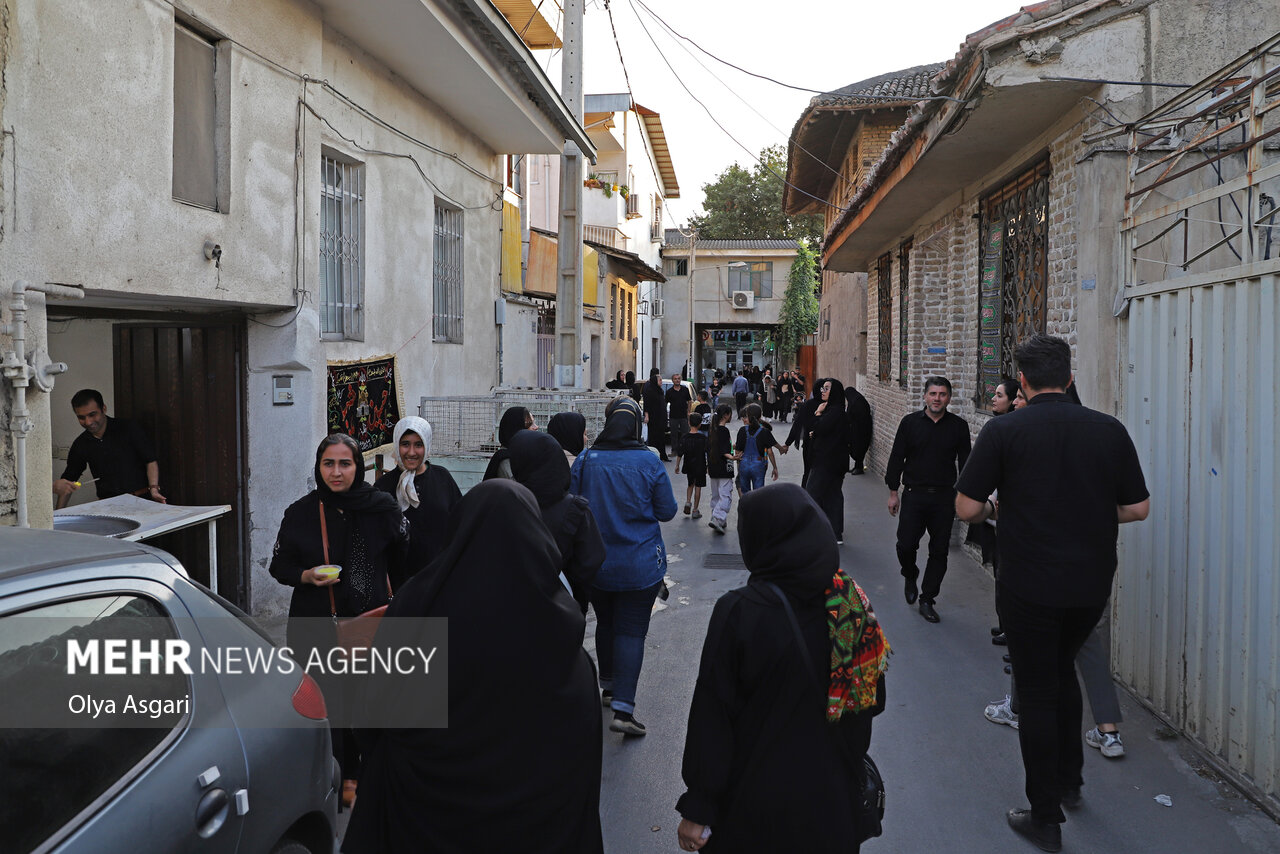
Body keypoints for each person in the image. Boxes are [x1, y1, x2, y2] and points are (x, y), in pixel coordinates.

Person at [955, 334, 1148, 852]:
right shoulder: (1109, 430)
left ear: (1022, 380)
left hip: (1029, 585)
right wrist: (1082, 511)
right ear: (1067, 376)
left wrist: (1004, 510)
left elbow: (968, 508)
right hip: (1089, 585)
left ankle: (1045, 817)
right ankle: (1069, 781)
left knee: (1037, 690)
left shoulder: (1005, 431)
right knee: (1062, 673)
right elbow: (1137, 508)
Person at [342, 480, 603, 854]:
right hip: (534, 830)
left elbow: (372, 711)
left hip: (421, 817)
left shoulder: (420, 603)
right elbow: (579, 750)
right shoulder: (558, 627)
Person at [676, 483, 888, 853]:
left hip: (755, 807)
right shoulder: (849, 602)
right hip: (831, 806)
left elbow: (714, 715)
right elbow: (871, 699)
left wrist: (699, 804)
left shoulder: (740, 611)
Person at [269, 433, 409, 809]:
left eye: (345, 463)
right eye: (328, 464)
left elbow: (401, 560)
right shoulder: (300, 513)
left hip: (369, 624)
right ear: (318, 467)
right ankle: (342, 775)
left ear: (357, 466)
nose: (336, 472)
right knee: (329, 703)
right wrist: (306, 576)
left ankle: (372, 771)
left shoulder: (380, 508)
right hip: (317, 624)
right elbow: (279, 566)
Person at [570, 396, 677, 735]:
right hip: (640, 565)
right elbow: (667, 511)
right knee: (631, 631)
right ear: (635, 425)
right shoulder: (649, 461)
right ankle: (624, 710)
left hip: (596, 565)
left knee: (606, 622)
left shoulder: (586, 460)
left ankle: (609, 685)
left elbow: (572, 504)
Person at [885, 376, 972, 623]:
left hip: (945, 498)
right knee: (905, 544)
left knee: (939, 551)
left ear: (949, 398)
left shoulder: (958, 426)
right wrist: (893, 493)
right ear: (925, 396)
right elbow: (896, 458)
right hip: (914, 495)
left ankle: (927, 599)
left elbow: (966, 464)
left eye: (942, 394)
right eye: (933, 394)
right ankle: (910, 573)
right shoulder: (910, 423)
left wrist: (966, 496)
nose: (937, 399)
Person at [509, 430, 606, 615]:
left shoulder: (507, 503)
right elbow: (592, 559)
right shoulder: (575, 509)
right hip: (566, 610)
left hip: (515, 611)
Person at [373, 416, 461, 576]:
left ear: (426, 446)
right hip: (399, 581)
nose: (411, 452)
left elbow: (459, 524)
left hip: (439, 577)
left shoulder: (442, 478)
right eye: (405, 444)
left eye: (418, 445)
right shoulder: (383, 487)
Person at [53, 389, 166, 506]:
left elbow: (150, 460)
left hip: (142, 500)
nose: (88, 422)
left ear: (104, 409)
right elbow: (69, 481)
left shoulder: (128, 428)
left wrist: (154, 488)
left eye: (92, 415)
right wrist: (57, 516)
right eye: (81, 417)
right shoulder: (81, 443)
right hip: (108, 505)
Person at [805, 379, 851, 544]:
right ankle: (835, 533)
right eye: (822, 388)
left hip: (826, 462)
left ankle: (811, 530)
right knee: (833, 497)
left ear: (835, 392)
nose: (822, 391)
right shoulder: (835, 410)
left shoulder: (834, 412)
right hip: (834, 462)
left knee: (811, 494)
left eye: (826, 388)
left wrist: (817, 414)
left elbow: (819, 428)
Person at [706, 404, 737, 535]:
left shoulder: (712, 430)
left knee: (716, 494)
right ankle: (718, 518)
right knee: (725, 494)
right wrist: (733, 457)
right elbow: (725, 450)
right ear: (726, 415)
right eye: (729, 414)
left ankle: (718, 518)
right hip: (724, 466)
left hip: (713, 466)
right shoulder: (724, 430)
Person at [734, 403, 778, 495]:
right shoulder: (764, 431)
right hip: (759, 464)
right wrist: (774, 467)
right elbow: (770, 452)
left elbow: (738, 451)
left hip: (744, 464)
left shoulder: (742, 430)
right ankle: (757, 509)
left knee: (745, 492)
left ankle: (746, 508)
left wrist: (739, 466)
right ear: (760, 415)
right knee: (758, 493)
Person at [482, 406, 535, 480]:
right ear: (516, 428)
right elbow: (518, 488)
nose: (536, 427)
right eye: (529, 424)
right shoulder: (506, 459)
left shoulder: (523, 454)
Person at [681, 413, 708, 520]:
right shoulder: (702, 438)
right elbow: (707, 452)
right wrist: (708, 465)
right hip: (700, 465)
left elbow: (680, 452)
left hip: (689, 464)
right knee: (698, 487)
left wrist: (677, 465)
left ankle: (688, 502)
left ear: (688, 423)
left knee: (690, 484)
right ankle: (695, 510)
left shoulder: (685, 437)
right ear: (700, 424)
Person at [667, 373, 693, 473]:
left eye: (678, 379)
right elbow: (666, 402)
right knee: (673, 434)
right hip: (673, 416)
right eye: (675, 379)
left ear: (680, 380)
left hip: (683, 416)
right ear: (672, 380)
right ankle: (674, 450)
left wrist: (689, 412)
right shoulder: (669, 391)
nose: (677, 380)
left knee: (685, 434)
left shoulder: (685, 389)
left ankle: (685, 450)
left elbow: (689, 401)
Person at [846, 385, 873, 475]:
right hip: (856, 429)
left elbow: (860, 417)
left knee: (859, 448)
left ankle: (859, 468)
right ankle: (857, 466)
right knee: (854, 447)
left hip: (861, 430)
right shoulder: (854, 400)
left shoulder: (858, 402)